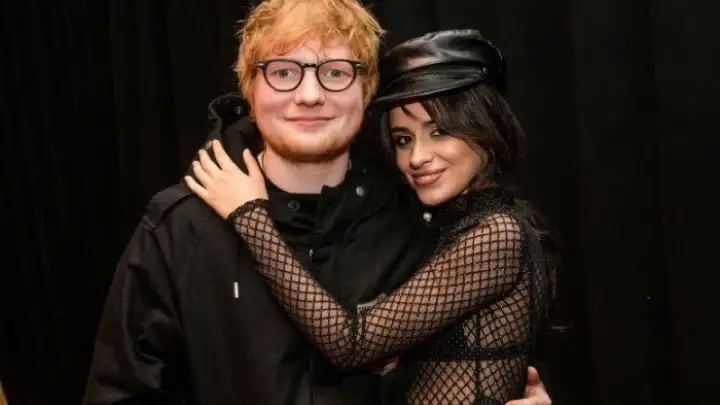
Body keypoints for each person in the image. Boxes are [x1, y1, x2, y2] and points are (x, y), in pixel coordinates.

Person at [82, 1, 553, 404]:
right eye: (284, 72)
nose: (309, 95)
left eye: (335, 73)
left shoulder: (422, 218)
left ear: (367, 92)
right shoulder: (181, 226)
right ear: (250, 89)